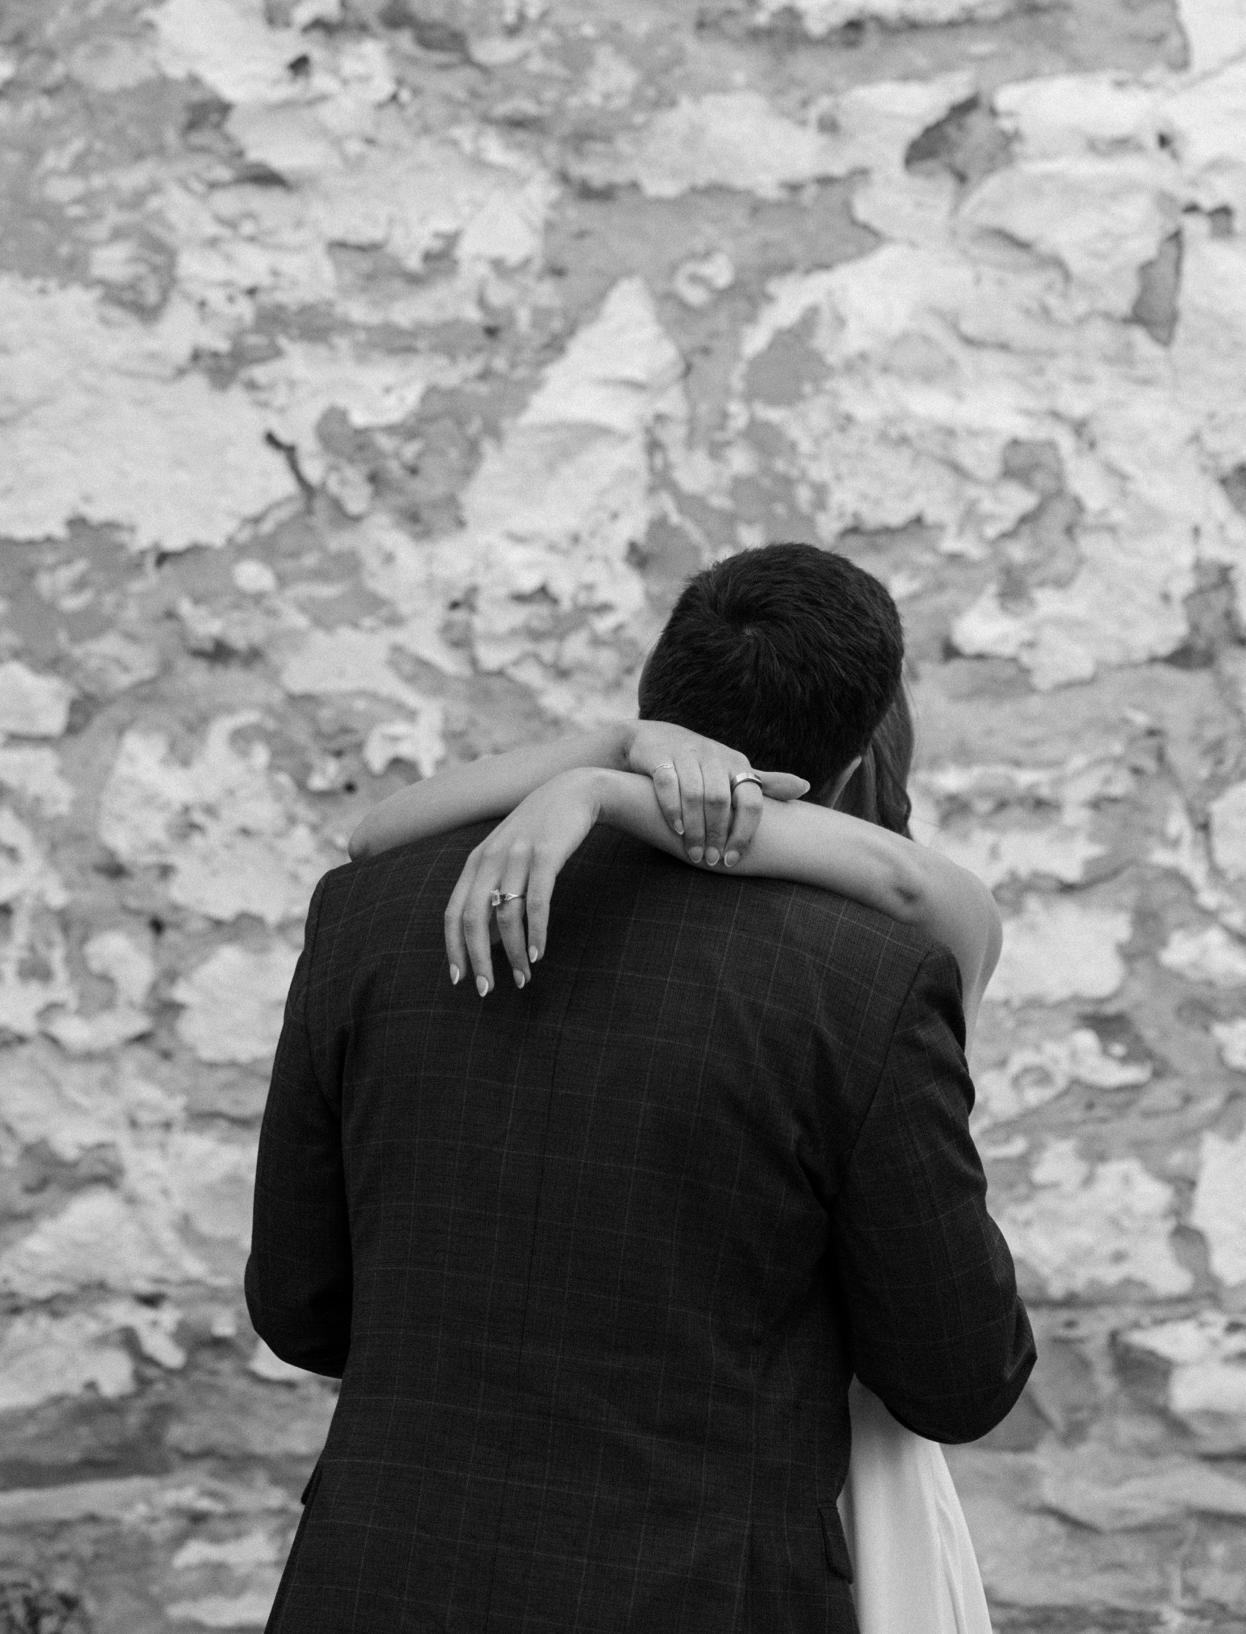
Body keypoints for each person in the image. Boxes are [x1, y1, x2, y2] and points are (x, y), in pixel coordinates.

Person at [247, 542, 1034, 1633]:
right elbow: (959, 1378)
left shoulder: (368, 917)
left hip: (379, 1580)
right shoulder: (869, 980)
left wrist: (598, 775)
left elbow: (301, 1308)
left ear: (661, 702)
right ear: (857, 760)